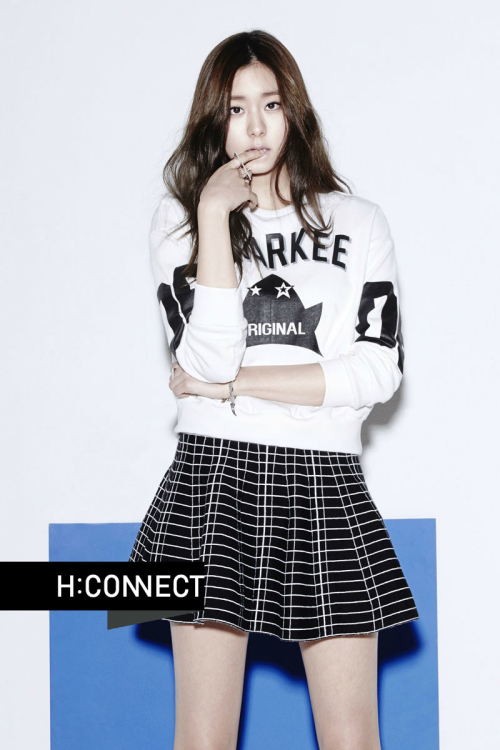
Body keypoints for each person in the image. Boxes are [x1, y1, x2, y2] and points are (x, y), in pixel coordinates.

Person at [129, 29, 419, 750]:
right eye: (235, 108)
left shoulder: (357, 221)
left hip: (325, 478)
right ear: (214, 118)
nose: (255, 127)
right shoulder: (181, 222)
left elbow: (377, 371)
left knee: (353, 738)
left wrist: (235, 385)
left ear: (295, 111)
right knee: (203, 739)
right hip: (212, 479)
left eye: (272, 104)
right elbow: (204, 354)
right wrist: (214, 218)